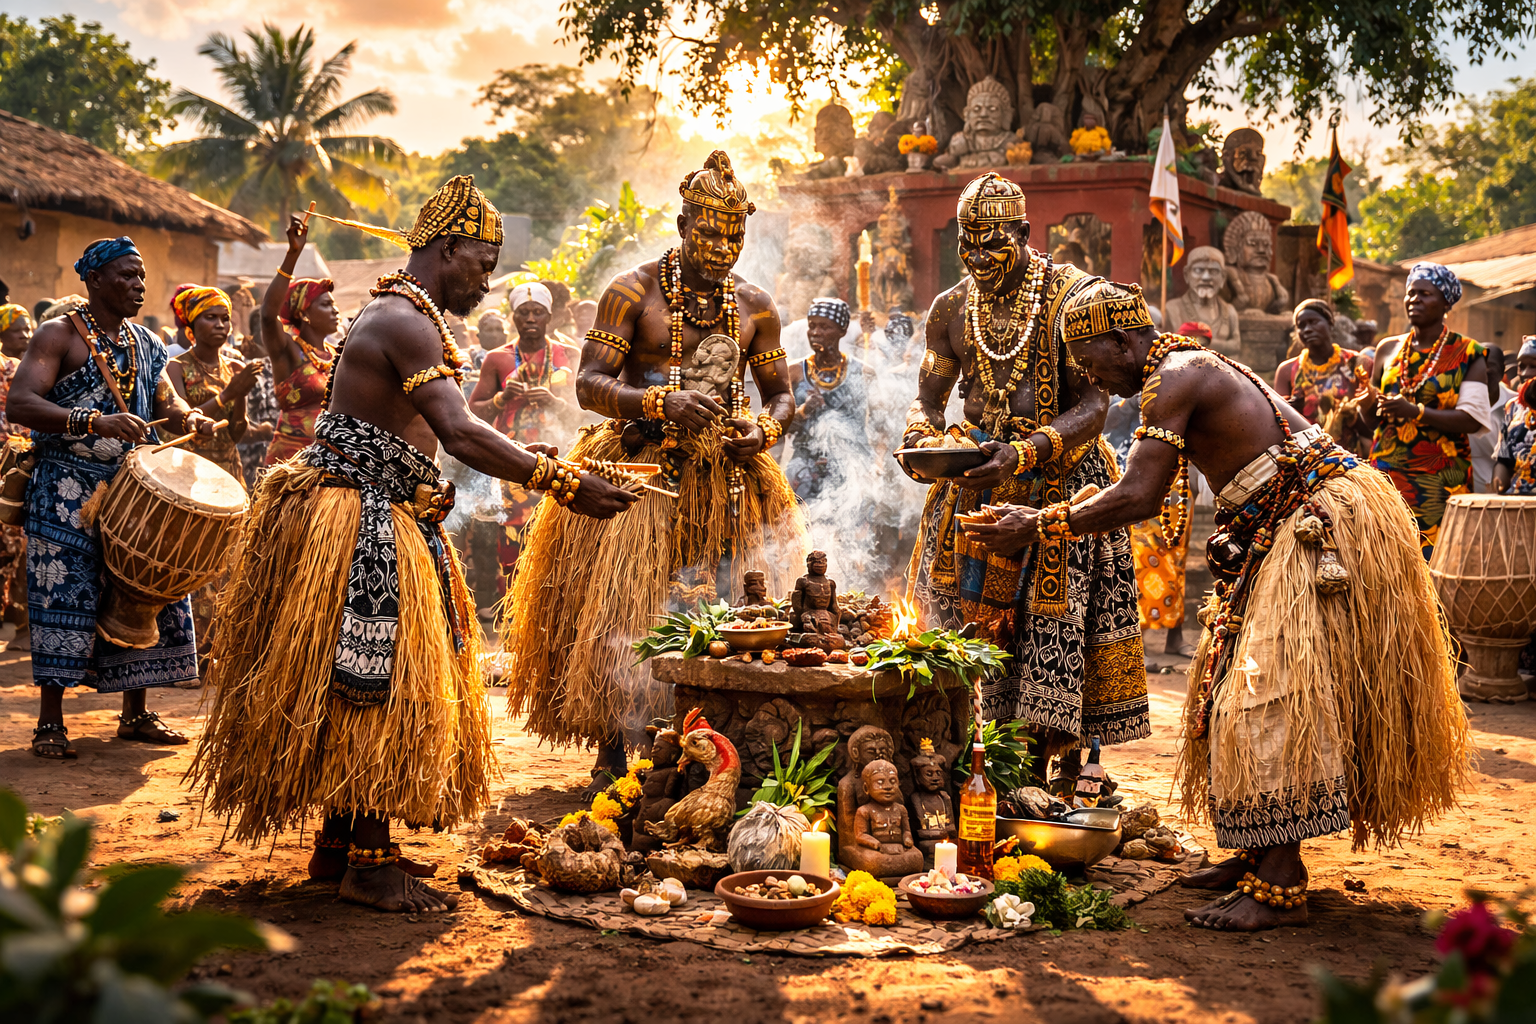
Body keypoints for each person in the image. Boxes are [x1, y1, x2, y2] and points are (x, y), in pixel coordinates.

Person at [962, 280, 1471, 931]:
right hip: (1284, 520)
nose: (1089, 377)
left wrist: (1038, 524)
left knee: (1267, 691)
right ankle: (1258, 849)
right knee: (1227, 678)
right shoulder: (1178, 369)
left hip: (1319, 521)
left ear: (1123, 341)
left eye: (1090, 361)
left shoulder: (1175, 375)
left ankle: (1281, 880)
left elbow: (1140, 494)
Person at [189, 177, 638, 912]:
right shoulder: (404, 320)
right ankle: (369, 863)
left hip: (370, 507)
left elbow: (423, 429)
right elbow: (457, 429)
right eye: (483, 264)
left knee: (351, 674)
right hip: (361, 520)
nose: (487, 282)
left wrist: (479, 469)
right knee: (373, 680)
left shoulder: (404, 314)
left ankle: (341, 843)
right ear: (449, 247)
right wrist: (561, 481)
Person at [501, 151, 806, 789]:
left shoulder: (756, 306)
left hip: (728, 480)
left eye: (733, 237)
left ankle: (715, 741)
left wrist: (764, 430)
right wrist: (659, 403)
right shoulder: (632, 291)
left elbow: (781, 395)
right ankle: (617, 745)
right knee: (629, 612)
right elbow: (589, 384)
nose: (721, 248)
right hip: (639, 474)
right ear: (682, 224)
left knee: (730, 606)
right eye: (708, 233)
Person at [902, 173, 1148, 775]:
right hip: (973, 483)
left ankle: (1051, 771)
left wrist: (1024, 452)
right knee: (953, 629)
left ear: (1025, 232)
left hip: (1060, 481)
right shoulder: (950, 308)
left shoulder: (1070, 299)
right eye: (968, 244)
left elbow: (1094, 407)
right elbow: (928, 401)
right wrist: (921, 439)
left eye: (994, 243)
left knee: (1051, 633)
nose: (979, 258)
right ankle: (963, 762)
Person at [8, 237, 218, 759]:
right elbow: (21, 402)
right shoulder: (58, 334)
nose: (138, 285)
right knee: (65, 597)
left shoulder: (145, 342)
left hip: (132, 492)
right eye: (126, 275)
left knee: (145, 587)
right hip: (65, 491)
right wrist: (92, 421)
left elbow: (167, 399)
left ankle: (136, 713)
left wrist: (190, 417)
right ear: (94, 280)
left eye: (141, 275)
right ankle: (50, 722)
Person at [1354, 262, 1492, 558]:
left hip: (1440, 481)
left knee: (1435, 562)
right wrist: (1366, 404)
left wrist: (1415, 412)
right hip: (1387, 475)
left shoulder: (1468, 353)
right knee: (1385, 558)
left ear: (1446, 303)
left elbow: (1471, 420)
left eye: (1425, 294)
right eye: (1411, 293)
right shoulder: (1387, 349)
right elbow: (1374, 423)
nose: (1414, 299)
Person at [467, 283, 577, 581]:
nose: (530, 318)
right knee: (513, 543)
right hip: (512, 464)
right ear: (513, 317)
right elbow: (472, 412)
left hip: (562, 460)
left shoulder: (569, 355)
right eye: (523, 312)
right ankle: (513, 604)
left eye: (537, 312)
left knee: (562, 539)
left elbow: (586, 413)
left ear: (549, 316)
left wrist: (555, 403)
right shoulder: (497, 359)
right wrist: (500, 399)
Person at [260, 227, 338, 467]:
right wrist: (293, 254)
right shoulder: (289, 351)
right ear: (304, 313)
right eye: (325, 305)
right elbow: (267, 316)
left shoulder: (337, 355)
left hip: (328, 460)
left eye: (333, 304)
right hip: (290, 463)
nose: (335, 310)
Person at [167, 287, 260, 485]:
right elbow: (180, 421)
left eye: (225, 319)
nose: (220, 325)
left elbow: (236, 435)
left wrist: (240, 395)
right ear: (192, 325)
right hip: (189, 473)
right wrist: (227, 395)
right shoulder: (176, 367)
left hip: (227, 472)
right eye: (210, 317)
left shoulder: (235, 368)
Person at [785, 297, 871, 501]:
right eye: (812, 326)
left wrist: (877, 464)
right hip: (805, 469)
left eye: (824, 327)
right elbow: (781, 426)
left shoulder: (863, 372)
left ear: (842, 330)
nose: (815, 332)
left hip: (851, 465)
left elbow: (880, 426)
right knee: (802, 519)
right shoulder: (794, 372)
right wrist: (805, 410)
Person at [1273, 299, 1372, 456]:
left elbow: (1375, 418)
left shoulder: (1356, 363)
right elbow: (1276, 424)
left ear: (1330, 323)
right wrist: (1290, 409)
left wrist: (1355, 417)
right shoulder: (1287, 370)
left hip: (1350, 457)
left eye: (1313, 322)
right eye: (1301, 325)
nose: (1307, 329)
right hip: (1305, 458)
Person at [0, 304, 33, 633]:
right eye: (17, 329)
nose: (25, 334)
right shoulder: (7, 367)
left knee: (17, 542)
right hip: (5, 462)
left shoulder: (31, 367)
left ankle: (16, 615)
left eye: (28, 328)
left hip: (22, 461)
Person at [1494, 336, 1536, 496]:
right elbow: (1503, 458)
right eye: (1521, 366)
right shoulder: (1512, 407)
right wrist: (1499, 479)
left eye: (1533, 366)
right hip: (1517, 500)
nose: (1525, 373)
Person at [1469, 345, 1512, 493]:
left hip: (1509, 496)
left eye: (1491, 365)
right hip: (1468, 498)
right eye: (1479, 365)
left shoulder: (1517, 406)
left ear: (1502, 371)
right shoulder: (1458, 407)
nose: (1485, 370)